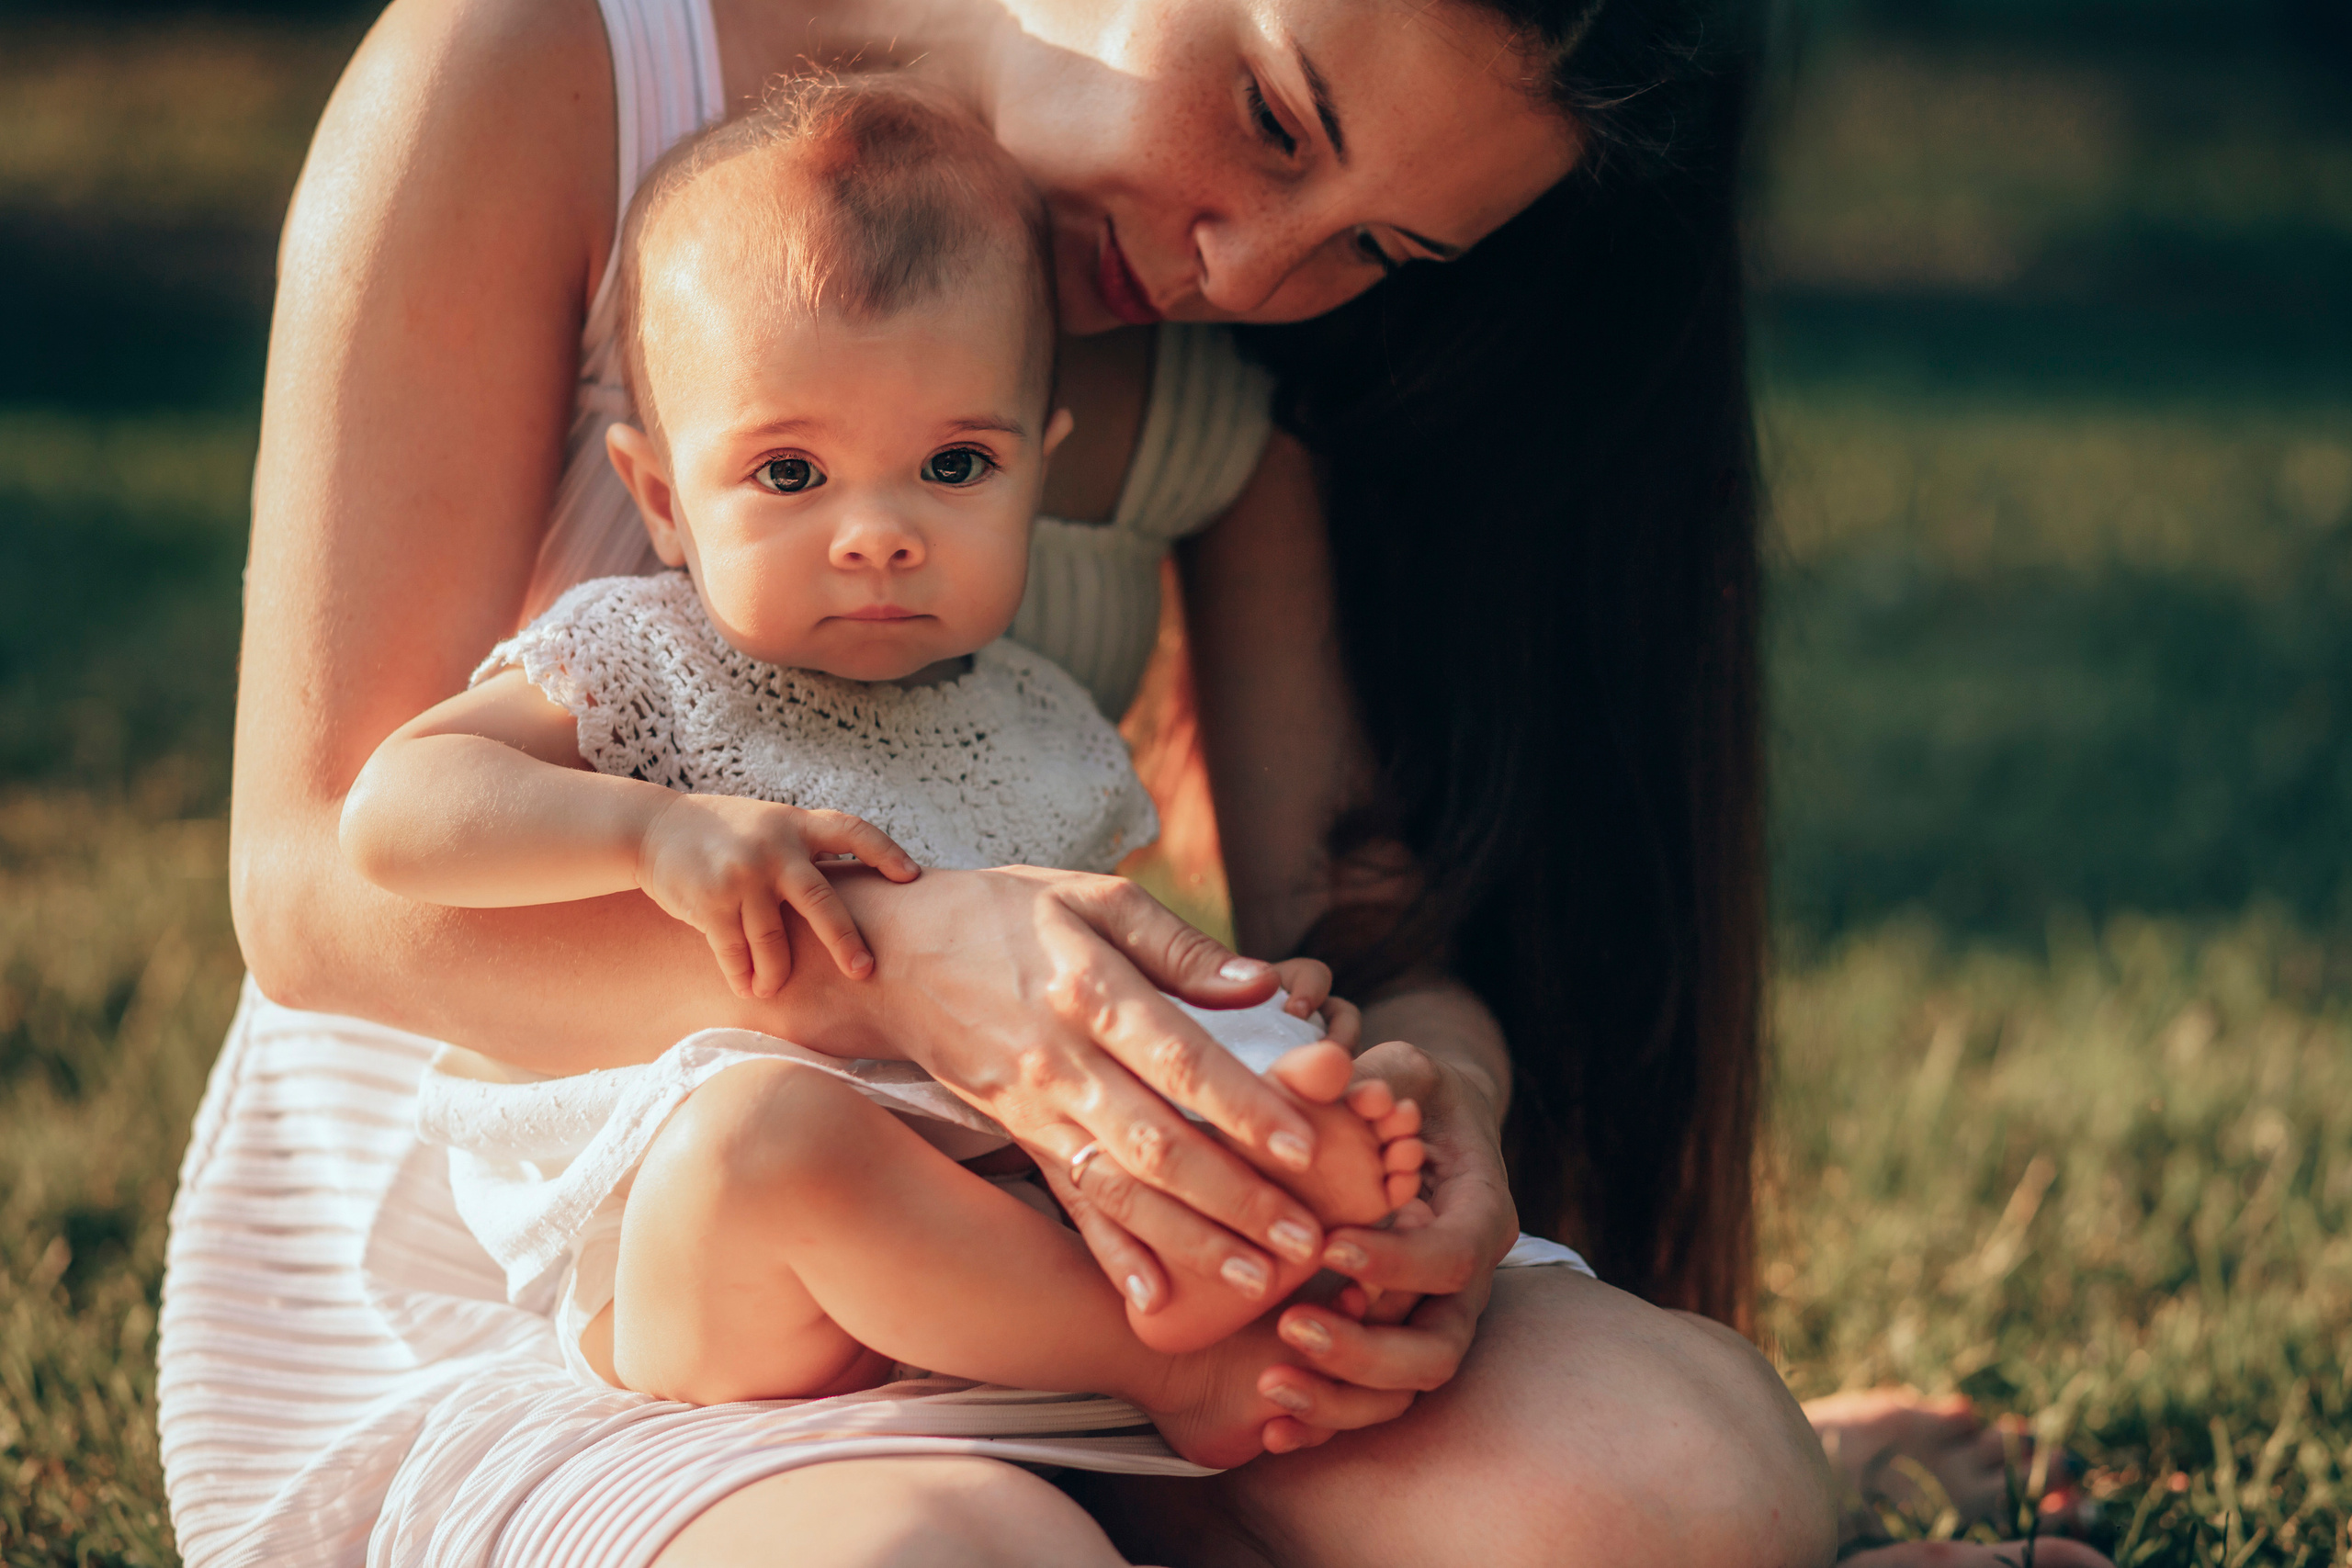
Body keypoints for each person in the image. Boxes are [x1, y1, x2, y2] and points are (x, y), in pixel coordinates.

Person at [161, 0, 2112, 1560]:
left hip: (1051, 1241)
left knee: (1685, 1477)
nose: (1246, 266)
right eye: (1272, 118)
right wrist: (891, 963)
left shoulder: (1213, 381)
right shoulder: (538, 67)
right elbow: (318, 889)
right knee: (952, 1551)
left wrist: (1448, 1109)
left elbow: (1357, 916)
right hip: (572, 1285)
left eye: (1375, 244)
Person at [337, 77, 1433, 1450]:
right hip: (700, 1265)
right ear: (664, 500)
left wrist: (1234, 1023)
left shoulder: (1040, 724)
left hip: (990, 1219)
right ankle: (1169, 1375)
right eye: (790, 475)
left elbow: (1074, 982)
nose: (878, 534)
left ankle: (1285, 1217)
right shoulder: (642, 657)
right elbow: (394, 813)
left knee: (1256, 1080)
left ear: (1041, 469)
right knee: (771, 1141)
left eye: (955, 464)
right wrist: (649, 834)